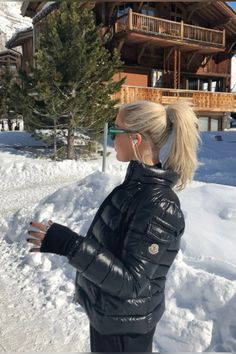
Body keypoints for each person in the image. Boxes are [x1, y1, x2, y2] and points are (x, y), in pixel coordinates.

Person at [27, 100, 200, 352]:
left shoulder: (159, 205)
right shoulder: (135, 188)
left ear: (135, 139)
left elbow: (132, 282)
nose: (110, 138)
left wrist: (70, 244)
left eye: (115, 130)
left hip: (125, 332)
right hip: (112, 318)